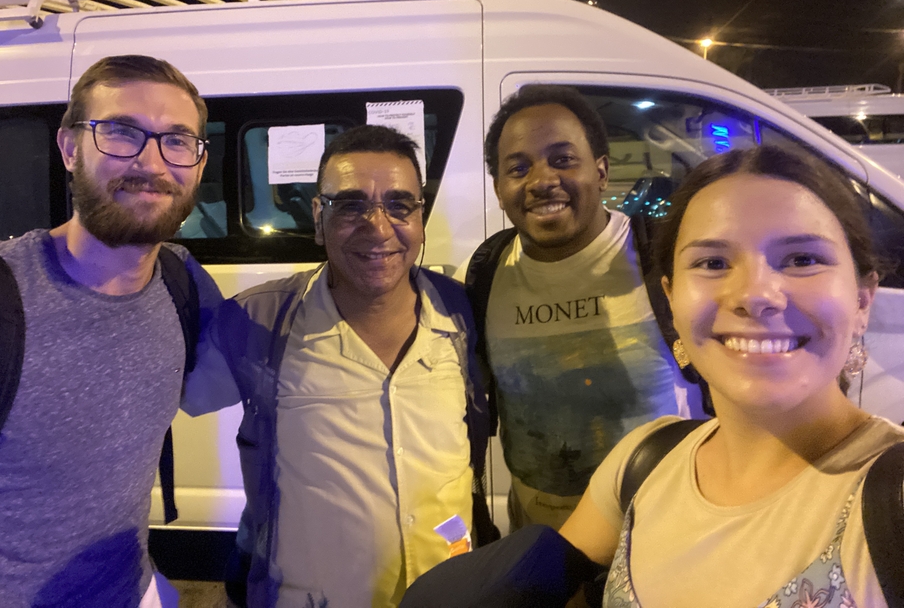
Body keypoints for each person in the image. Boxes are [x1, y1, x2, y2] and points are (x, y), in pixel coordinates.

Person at [404, 145, 904, 607]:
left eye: (802, 259)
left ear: (862, 298)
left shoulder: (892, 500)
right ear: (670, 298)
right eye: (713, 262)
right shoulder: (645, 462)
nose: (754, 294)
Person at [0, 55, 222, 608]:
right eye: (121, 132)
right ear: (70, 148)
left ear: (198, 162)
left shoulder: (181, 281)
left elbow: (282, 360)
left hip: (130, 590)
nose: (151, 162)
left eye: (177, 140)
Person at [183, 125, 491, 608]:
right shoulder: (258, 322)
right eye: (350, 205)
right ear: (318, 217)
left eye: (399, 205)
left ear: (420, 217)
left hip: (451, 593)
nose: (378, 227)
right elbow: (165, 397)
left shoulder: (461, 311)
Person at [456, 84, 701, 533]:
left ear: (601, 171)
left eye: (563, 159)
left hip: (665, 539)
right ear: (498, 189)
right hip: (543, 548)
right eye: (518, 168)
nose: (542, 180)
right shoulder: (485, 275)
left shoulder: (663, 259)